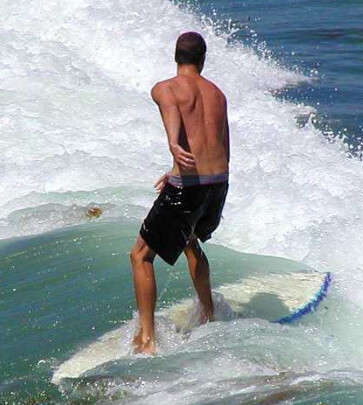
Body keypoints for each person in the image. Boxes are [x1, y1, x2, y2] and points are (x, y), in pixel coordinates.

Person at [129, 32, 230, 354]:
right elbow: (219, 143)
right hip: (216, 182)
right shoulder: (217, 93)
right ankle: (209, 314)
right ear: (203, 59)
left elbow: (173, 111)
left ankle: (147, 339)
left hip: (187, 186)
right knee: (190, 241)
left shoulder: (166, 87)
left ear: (176, 57)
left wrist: (173, 146)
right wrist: (178, 168)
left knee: (141, 256)